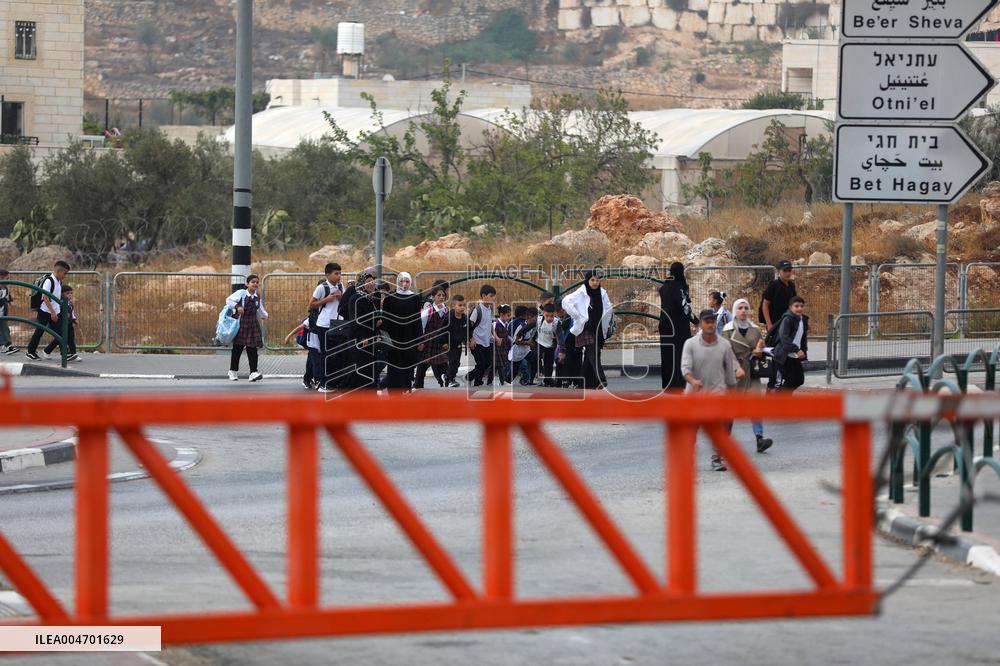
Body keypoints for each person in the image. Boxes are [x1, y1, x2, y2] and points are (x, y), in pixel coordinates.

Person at [682, 308, 743, 472]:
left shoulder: (724, 345)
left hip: (718, 393)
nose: (710, 324)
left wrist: (733, 389)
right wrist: (693, 380)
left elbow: (730, 371)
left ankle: (717, 457)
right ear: (700, 324)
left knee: (725, 423)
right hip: (695, 395)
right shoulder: (691, 344)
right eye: (707, 321)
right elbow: (685, 369)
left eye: (712, 321)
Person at [721, 298, 773, 454]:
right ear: (735, 311)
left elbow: (759, 345)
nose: (743, 311)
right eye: (740, 308)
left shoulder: (755, 329)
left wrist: (759, 348)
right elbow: (726, 351)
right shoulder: (727, 329)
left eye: (746, 308)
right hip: (734, 373)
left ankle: (759, 439)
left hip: (752, 372)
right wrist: (736, 368)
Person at [562, 270, 612, 390]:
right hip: (586, 328)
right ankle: (601, 379)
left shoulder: (602, 293)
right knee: (592, 352)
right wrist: (578, 316)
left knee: (592, 355)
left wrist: (607, 325)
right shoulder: (581, 292)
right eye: (592, 280)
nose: (595, 283)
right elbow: (566, 301)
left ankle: (584, 383)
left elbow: (608, 309)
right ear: (587, 280)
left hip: (598, 329)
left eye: (597, 280)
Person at [658, 261, 698, 390]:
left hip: (665, 325)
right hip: (678, 326)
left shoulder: (664, 286)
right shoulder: (679, 286)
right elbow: (684, 306)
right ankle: (679, 384)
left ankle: (667, 384)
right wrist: (696, 321)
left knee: (667, 355)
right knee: (681, 354)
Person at [308, 263, 346, 392]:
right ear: (328, 274)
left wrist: (341, 297)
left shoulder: (341, 286)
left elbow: (345, 304)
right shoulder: (322, 287)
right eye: (336, 273)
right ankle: (324, 383)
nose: (339, 276)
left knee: (338, 354)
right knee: (326, 354)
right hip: (324, 325)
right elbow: (311, 304)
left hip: (338, 323)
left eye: (340, 273)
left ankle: (334, 382)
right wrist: (327, 299)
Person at [383, 272, 422, 391]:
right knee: (394, 363)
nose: (404, 284)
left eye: (407, 281)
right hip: (394, 337)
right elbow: (386, 320)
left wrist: (419, 339)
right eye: (401, 281)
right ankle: (393, 390)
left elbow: (417, 320)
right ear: (397, 282)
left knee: (407, 363)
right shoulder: (390, 298)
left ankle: (406, 388)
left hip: (409, 337)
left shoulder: (414, 298)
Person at [226, 274, 269, 382]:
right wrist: (238, 306)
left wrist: (265, 315)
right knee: (237, 348)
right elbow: (229, 301)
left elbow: (260, 308)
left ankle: (253, 372)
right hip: (241, 323)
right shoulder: (241, 293)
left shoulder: (257, 296)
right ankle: (233, 371)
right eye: (253, 282)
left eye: (257, 282)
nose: (255, 284)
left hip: (253, 324)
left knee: (252, 348)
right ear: (247, 284)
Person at [26, 260, 69, 361]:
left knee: (60, 333)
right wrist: (52, 312)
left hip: (55, 311)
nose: (65, 275)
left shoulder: (58, 281)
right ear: (59, 271)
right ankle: (30, 352)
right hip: (45, 311)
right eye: (65, 273)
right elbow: (45, 297)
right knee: (39, 332)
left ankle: (63, 353)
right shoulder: (49, 281)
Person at [348, 270, 381, 390]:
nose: (371, 284)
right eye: (368, 281)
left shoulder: (371, 297)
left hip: (372, 338)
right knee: (362, 369)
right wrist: (362, 338)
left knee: (371, 368)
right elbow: (356, 321)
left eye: (372, 281)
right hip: (361, 339)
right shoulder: (356, 298)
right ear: (362, 283)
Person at [414, 284, 450, 389]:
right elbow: (422, 327)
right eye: (439, 295)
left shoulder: (446, 310)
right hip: (428, 343)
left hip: (439, 344)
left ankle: (445, 385)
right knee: (422, 367)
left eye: (443, 295)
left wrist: (446, 342)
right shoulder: (428, 310)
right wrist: (420, 342)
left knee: (443, 364)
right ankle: (417, 386)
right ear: (433, 297)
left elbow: (447, 328)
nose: (442, 297)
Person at [773, 295, 809, 392]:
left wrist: (804, 351)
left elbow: (803, 338)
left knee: (799, 380)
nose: (799, 308)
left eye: (801, 306)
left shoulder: (803, 319)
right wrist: (797, 350)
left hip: (795, 355)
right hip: (784, 355)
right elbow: (784, 338)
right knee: (790, 380)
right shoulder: (787, 319)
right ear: (790, 307)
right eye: (796, 306)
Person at [467, 284, 497, 387]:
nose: (493, 298)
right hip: (477, 342)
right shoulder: (477, 310)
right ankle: (477, 383)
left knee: (487, 363)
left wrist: (495, 337)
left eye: (494, 296)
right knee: (481, 364)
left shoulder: (490, 309)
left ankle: (469, 376)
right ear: (483, 295)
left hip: (486, 342)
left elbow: (489, 325)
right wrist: (471, 339)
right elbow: (469, 326)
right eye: (491, 295)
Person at [43, 285, 79, 362]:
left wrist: (74, 319)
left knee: (71, 338)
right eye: (67, 293)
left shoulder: (70, 303)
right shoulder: (59, 303)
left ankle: (73, 353)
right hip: (59, 324)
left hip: (68, 323)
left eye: (71, 293)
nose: (70, 295)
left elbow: (71, 313)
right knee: (60, 338)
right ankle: (48, 351)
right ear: (61, 294)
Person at [761, 260, 797, 331]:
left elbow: (794, 304)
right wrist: (769, 324)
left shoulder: (791, 285)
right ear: (778, 271)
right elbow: (765, 305)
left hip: (788, 322)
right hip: (776, 323)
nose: (787, 273)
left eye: (789, 270)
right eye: (784, 270)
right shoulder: (773, 285)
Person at [284, 317, 318, 390]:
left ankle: (310, 379)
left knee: (313, 361)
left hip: (317, 343)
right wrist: (288, 336)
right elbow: (300, 327)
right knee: (312, 361)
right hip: (311, 343)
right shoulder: (313, 317)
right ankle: (307, 380)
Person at [444, 294, 467, 388]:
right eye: (460, 305)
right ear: (453, 306)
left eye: (464, 305)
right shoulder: (449, 317)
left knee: (457, 363)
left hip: (458, 344)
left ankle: (450, 378)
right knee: (453, 361)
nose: (462, 308)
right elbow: (442, 330)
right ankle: (448, 378)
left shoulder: (464, 318)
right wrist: (443, 342)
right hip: (449, 343)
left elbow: (466, 331)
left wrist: (466, 341)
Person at [508, 305, 533, 386]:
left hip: (516, 348)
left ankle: (526, 379)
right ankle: (526, 380)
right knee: (518, 366)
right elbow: (517, 340)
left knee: (517, 367)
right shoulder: (521, 324)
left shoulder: (512, 322)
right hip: (519, 349)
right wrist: (529, 343)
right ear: (522, 315)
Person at [536, 303, 558, 387]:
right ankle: (539, 372)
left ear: (554, 314)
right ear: (543, 313)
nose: (549, 318)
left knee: (549, 363)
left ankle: (548, 379)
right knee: (536, 356)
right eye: (547, 316)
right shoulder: (539, 320)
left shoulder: (556, 322)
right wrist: (520, 334)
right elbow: (530, 326)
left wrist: (556, 338)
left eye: (551, 316)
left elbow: (560, 334)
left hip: (550, 345)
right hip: (540, 342)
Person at [494, 304, 513, 385]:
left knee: (499, 365)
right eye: (508, 315)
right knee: (500, 365)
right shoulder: (496, 323)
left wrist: (510, 339)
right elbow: (492, 332)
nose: (509, 317)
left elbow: (505, 335)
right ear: (501, 315)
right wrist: (497, 338)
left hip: (504, 347)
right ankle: (502, 382)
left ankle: (490, 381)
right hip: (497, 348)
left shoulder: (505, 324)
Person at [0, 269, 17, 355]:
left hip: (3, 312)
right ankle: (6, 346)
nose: (9, 280)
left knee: (5, 329)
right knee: (3, 329)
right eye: (7, 278)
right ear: (1, 278)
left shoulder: (6, 288)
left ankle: (8, 345)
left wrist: (11, 302)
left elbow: (8, 297)